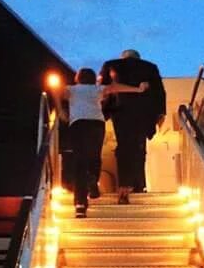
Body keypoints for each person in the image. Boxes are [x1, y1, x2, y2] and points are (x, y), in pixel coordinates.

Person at [54, 68, 148, 217]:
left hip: (78, 124)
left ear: (78, 78)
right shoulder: (97, 89)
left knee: (79, 161)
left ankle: (80, 204)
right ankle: (92, 180)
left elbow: (56, 90)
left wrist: (60, 110)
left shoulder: (72, 89)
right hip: (97, 124)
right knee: (94, 156)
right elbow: (116, 87)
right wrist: (138, 89)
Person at [99, 50, 166, 204]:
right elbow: (159, 92)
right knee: (139, 148)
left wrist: (102, 111)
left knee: (123, 147)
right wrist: (160, 114)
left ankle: (124, 186)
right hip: (143, 113)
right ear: (138, 57)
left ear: (123, 56)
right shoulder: (150, 67)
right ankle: (139, 185)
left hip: (119, 110)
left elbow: (103, 87)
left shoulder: (111, 64)